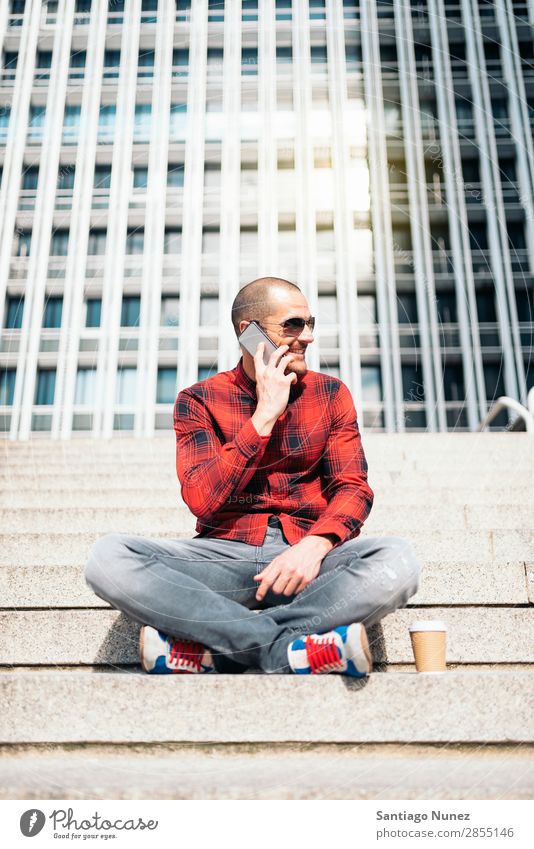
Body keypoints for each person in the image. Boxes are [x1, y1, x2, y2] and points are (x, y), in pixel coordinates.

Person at [85, 277, 420, 676]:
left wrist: (314, 546)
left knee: (397, 559)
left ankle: (223, 651)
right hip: (225, 558)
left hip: (310, 563)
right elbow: (203, 499)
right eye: (293, 325)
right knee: (108, 559)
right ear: (250, 333)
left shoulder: (331, 394)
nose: (308, 337)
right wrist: (263, 416)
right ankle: (288, 649)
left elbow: (353, 487)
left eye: (310, 324)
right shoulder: (199, 400)